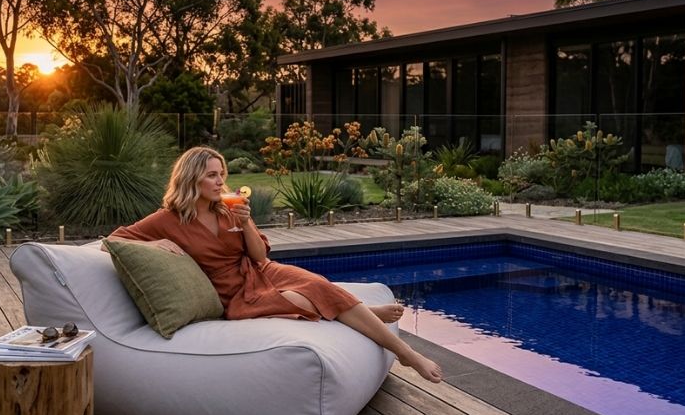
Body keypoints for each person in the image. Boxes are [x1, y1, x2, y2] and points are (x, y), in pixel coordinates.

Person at [106, 146, 443, 383]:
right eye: (212, 175)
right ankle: (358, 310)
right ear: (191, 178)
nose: (221, 181)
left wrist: (248, 221)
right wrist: (157, 241)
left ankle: (406, 353)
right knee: (304, 300)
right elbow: (115, 239)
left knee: (317, 284)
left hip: (259, 270)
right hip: (233, 293)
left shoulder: (227, 209)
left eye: (222, 174)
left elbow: (260, 257)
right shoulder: (168, 219)